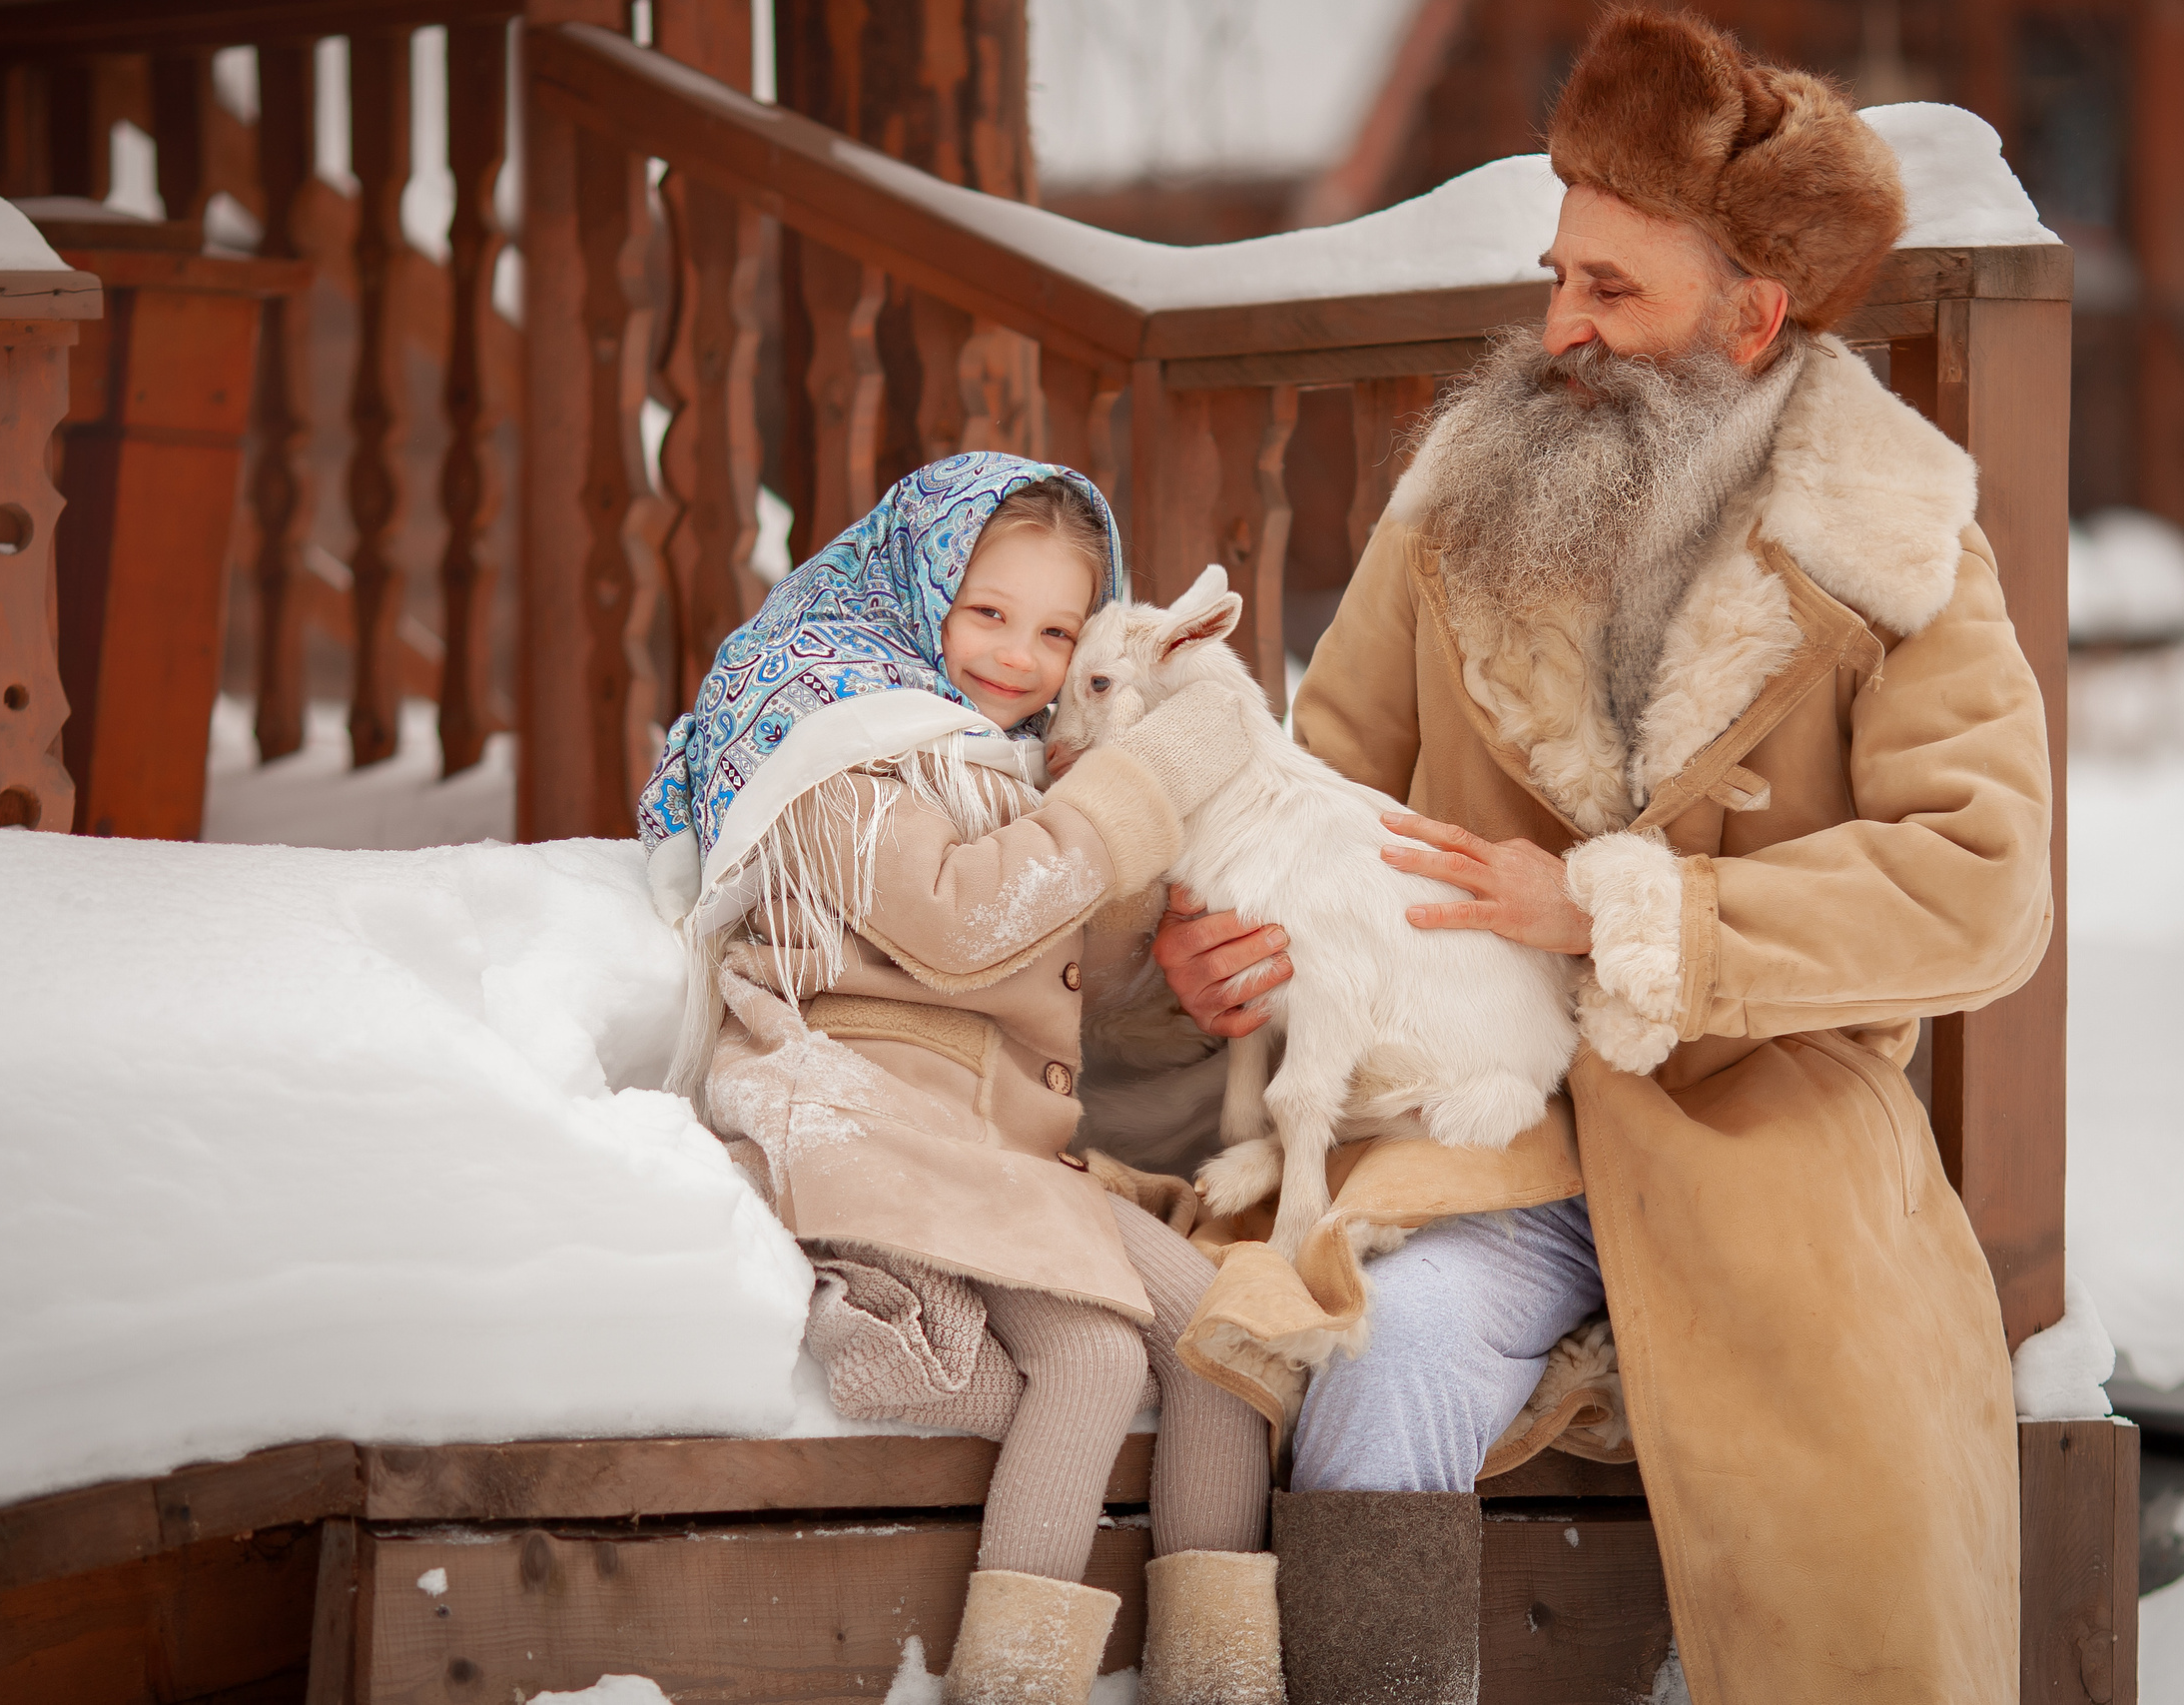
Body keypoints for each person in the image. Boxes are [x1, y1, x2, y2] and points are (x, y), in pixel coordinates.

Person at [1154, 12, 2052, 1704]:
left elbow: (1981, 883)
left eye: (1612, 293)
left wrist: (1625, 912)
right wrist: (1222, 940)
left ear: (1754, 315)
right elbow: (1320, 781)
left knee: (1853, 1523)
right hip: (1480, 1118)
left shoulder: (1893, 544)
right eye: (1557, 274)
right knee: (1381, 1351)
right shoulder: (1458, 498)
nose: (1559, 326)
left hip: (1768, 1149)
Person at [638, 453, 1282, 1705]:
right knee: (1096, 1360)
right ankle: (1015, 1689)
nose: (1020, 658)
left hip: (989, 1146)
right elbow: (958, 925)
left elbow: (1051, 968)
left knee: (1219, 1340)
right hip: (882, 1126)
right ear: (915, 582)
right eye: (986, 612)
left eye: (1056, 630)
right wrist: (1147, 780)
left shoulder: (987, 762)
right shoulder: (828, 735)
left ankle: (1219, 1684)